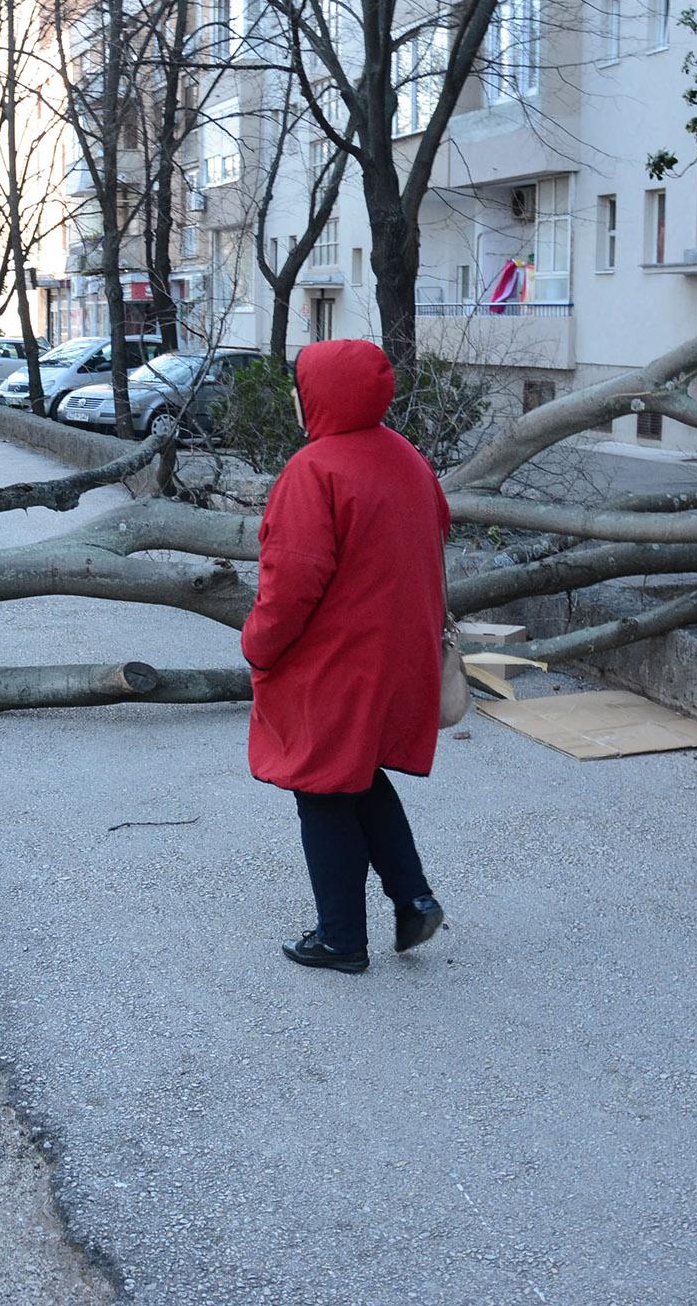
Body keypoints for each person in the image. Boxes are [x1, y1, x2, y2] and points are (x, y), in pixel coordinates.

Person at [240, 339, 452, 976]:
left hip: (335, 658)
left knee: (322, 785)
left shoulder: (316, 469)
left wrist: (258, 643)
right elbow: (438, 536)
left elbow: (293, 580)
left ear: (318, 394)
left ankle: (340, 940)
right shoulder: (407, 457)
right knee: (356, 772)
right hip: (399, 649)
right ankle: (413, 898)